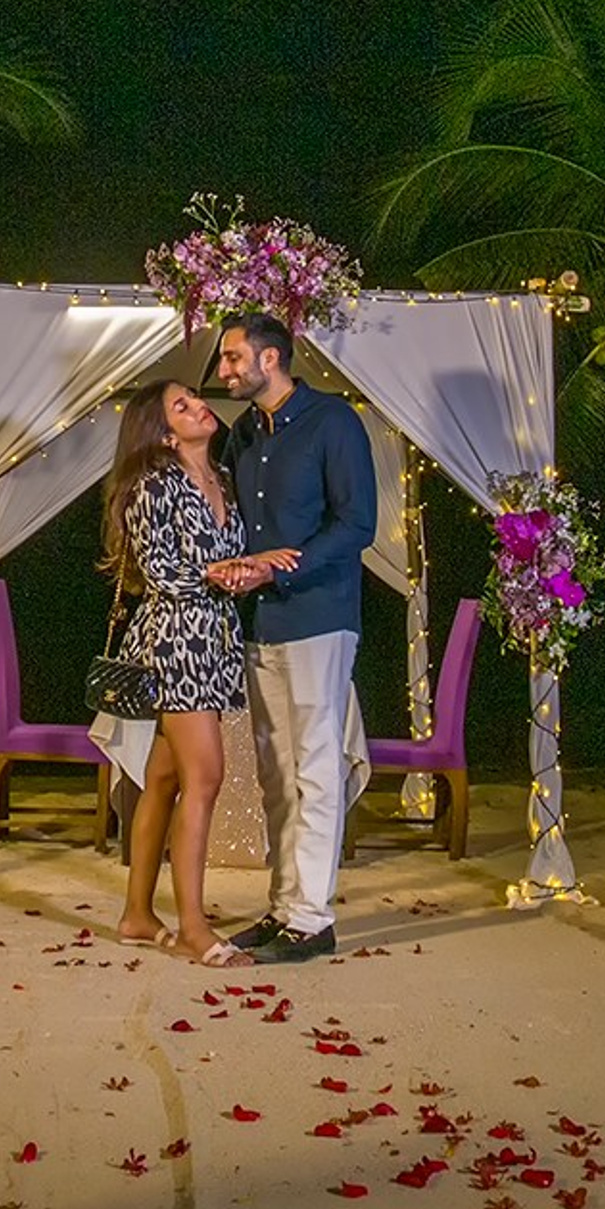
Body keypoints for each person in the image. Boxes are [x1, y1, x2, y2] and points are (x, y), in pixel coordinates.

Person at [102, 378, 297, 967]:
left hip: (213, 640)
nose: (198, 407)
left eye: (194, 398)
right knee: (204, 777)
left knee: (164, 780)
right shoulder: (151, 483)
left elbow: (224, 561)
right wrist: (233, 571)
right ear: (164, 432)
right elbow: (161, 571)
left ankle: (138, 915)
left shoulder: (222, 481)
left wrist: (248, 566)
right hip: (175, 642)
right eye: (181, 407)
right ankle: (192, 926)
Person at [212, 312, 378, 964]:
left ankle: (313, 918)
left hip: (319, 616)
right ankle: (284, 907)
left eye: (232, 358)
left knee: (313, 767)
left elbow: (356, 523)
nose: (224, 371)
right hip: (263, 623)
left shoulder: (332, 422)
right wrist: (230, 565)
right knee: (277, 776)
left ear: (271, 358)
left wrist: (284, 562)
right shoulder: (246, 434)